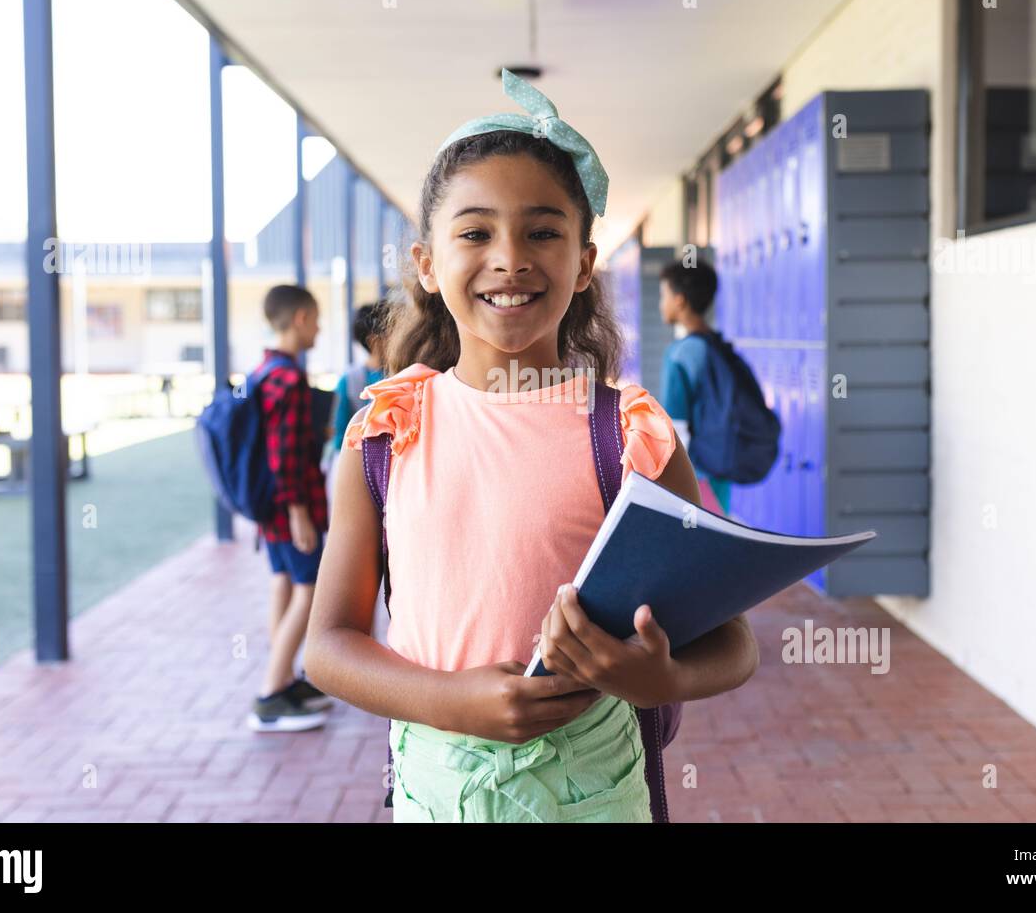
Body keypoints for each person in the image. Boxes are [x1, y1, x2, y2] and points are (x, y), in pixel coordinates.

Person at [303, 70, 759, 822]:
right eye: (475, 232)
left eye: (543, 231)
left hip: (597, 790)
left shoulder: (628, 433)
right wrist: (452, 700)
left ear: (583, 262)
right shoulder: (386, 431)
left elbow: (734, 642)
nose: (510, 257)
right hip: (437, 789)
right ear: (426, 263)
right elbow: (329, 646)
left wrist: (662, 678)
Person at [247, 284, 333, 732]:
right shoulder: (289, 378)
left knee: (284, 583)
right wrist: (299, 512)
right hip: (292, 508)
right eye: (316, 319)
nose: (319, 328)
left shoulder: (263, 371)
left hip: (271, 510)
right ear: (300, 318)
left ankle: (282, 681)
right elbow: (285, 455)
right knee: (310, 590)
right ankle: (269, 696)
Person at [658, 258, 733, 515]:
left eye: (664, 295)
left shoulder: (679, 354)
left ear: (679, 300)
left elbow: (676, 427)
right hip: (720, 467)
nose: (661, 304)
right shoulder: (717, 345)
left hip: (696, 474)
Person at [330, 301, 389, 457]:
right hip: (361, 461)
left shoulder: (348, 379)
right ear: (375, 342)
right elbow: (340, 436)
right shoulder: (350, 380)